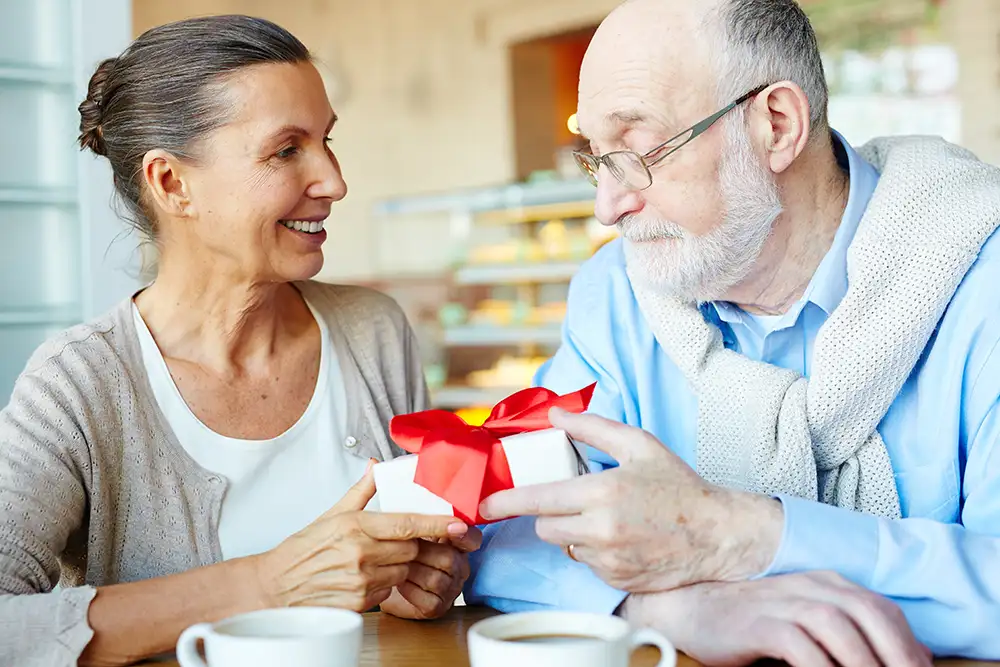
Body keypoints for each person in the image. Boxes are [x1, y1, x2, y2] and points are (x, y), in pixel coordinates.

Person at [464, 1, 1000, 666]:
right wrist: (668, 605)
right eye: (596, 160)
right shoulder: (616, 297)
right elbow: (500, 525)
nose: (607, 206)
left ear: (777, 125)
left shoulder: (983, 280)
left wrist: (743, 535)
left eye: (635, 151)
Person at [0, 15, 478, 667]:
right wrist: (269, 583)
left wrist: (423, 581)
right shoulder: (78, 382)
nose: (334, 181)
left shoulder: (375, 331)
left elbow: (423, 565)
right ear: (172, 183)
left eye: (326, 141)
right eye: (286, 149)